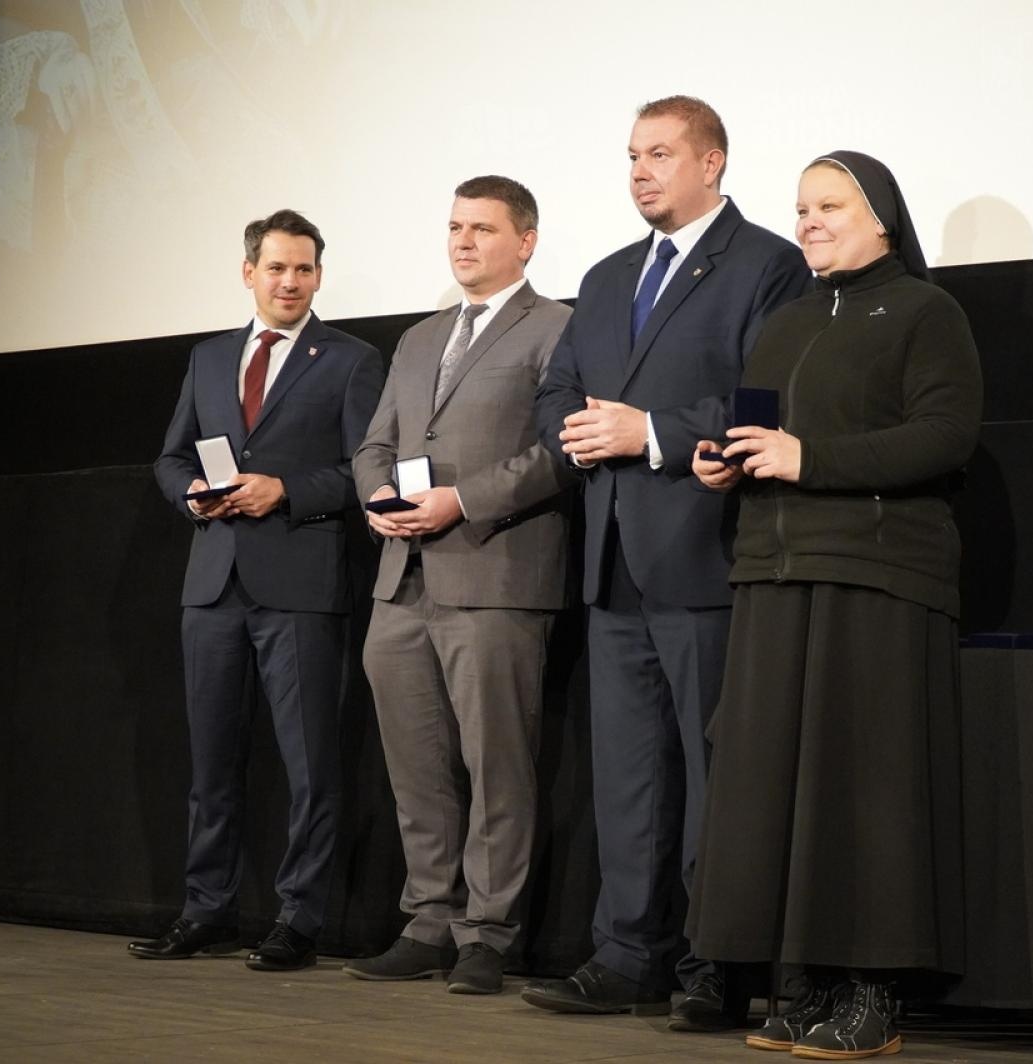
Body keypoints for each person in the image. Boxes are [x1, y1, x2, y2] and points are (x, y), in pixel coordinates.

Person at [684, 151, 983, 1059]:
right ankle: (803, 977)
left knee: (870, 788)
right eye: (802, 208)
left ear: (882, 216)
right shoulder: (787, 322)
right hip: (775, 574)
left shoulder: (928, 313)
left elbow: (944, 436)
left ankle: (873, 990)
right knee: (779, 789)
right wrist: (722, 461)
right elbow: (758, 432)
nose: (809, 221)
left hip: (878, 576)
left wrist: (810, 459)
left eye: (829, 205)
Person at [522, 96, 812, 1029]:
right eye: (632, 156)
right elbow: (559, 389)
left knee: (713, 773)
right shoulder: (607, 277)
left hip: (706, 555)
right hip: (611, 562)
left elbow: (765, 399)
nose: (641, 171)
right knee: (630, 776)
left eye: (660, 154)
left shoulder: (767, 265)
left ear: (713, 162)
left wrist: (648, 431)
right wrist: (576, 431)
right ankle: (626, 952)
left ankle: (715, 964)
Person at [134, 209, 384, 970]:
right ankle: (206, 909)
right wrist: (189, 497)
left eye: (304, 269)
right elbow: (171, 457)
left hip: (300, 586)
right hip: (213, 584)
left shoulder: (350, 359)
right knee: (211, 765)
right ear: (250, 273)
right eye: (277, 268)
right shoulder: (210, 358)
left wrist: (285, 489)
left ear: (318, 275)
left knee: (310, 766)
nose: (290, 281)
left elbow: (361, 471)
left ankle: (298, 920)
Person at [344, 176, 575, 995]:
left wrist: (463, 500)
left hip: (496, 573)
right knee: (416, 765)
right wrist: (377, 494)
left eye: (482, 227)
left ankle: (489, 932)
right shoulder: (417, 338)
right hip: (401, 581)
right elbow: (376, 443)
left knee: (496, 764)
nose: (463, 241)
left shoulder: (557, 329)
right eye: (454, 226)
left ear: (527, 240)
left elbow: (561, 452)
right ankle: (430, 917)